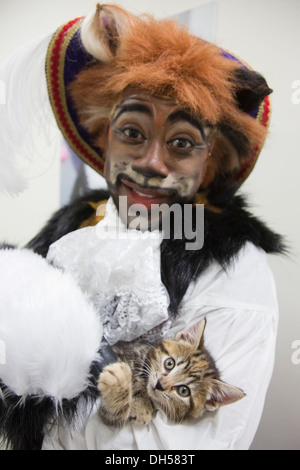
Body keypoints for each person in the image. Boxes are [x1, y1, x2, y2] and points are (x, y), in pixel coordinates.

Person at [0, 4, 284, 450]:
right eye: (132, 133)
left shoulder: (232, 271)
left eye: (182, 143)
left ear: (209, 158)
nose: (151, 162)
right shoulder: (73, 230)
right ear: (104, 134)